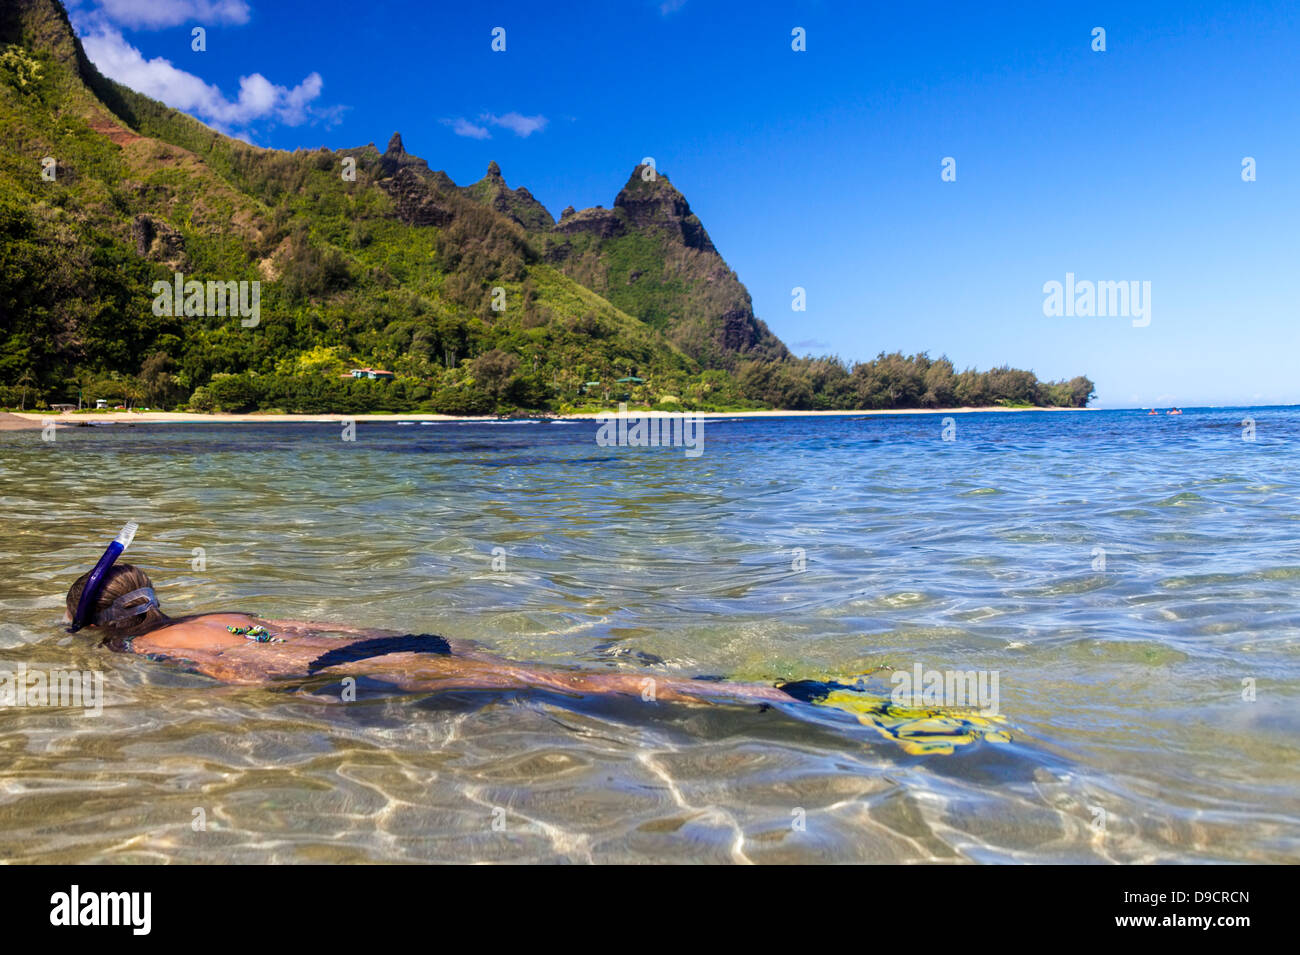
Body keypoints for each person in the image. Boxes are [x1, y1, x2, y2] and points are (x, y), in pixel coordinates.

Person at [62, 524, 1009, 754]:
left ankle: (780, 699)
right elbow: (286, 629)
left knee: (575, 688)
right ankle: (761, 686)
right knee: (572, 674)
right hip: (401, 637)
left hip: (368, 664)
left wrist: (287, 707)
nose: (139, 597)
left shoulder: (160, 647)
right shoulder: (215, 605)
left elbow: (249, 671)